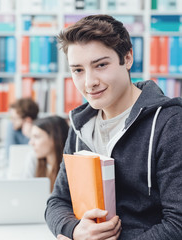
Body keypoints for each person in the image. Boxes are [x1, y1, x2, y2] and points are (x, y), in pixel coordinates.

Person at [45, 14, 182, 240]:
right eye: (78, 70)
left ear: (127, 58)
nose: (89, 82)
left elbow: (177, 224)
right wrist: (75, 230)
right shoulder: (80, 125)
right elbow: (58, 201)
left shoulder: (169, 122)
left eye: (100, 65)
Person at [23, 116, 69, 192]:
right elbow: (26, 191)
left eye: (36, 137)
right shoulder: (33, 158)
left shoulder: (69, 167)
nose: (31, 143)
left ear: (54, 139)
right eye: (31, 137)